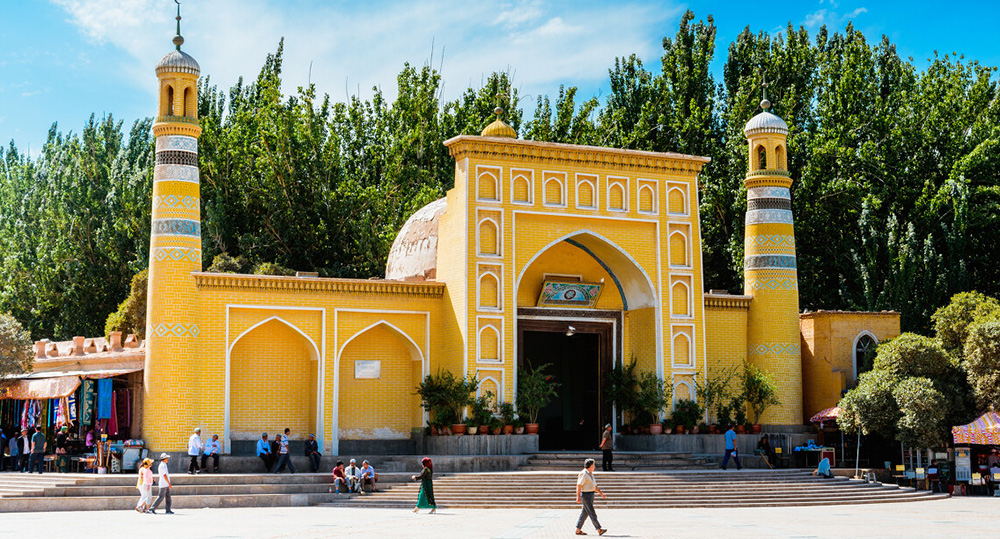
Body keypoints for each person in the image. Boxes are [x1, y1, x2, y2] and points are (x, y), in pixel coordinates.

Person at [575, 458, 607, 536]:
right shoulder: (584, 474)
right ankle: (599, 529)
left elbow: (595, 486)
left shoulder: (590, 474)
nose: (594, 467)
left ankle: (578, 530)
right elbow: (579, 485)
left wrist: (601, 493)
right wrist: (578, 497)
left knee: (584, 513)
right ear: (590, 466)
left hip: (590, 494)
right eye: (593, 465)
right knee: (592, 512)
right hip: (585, 495)